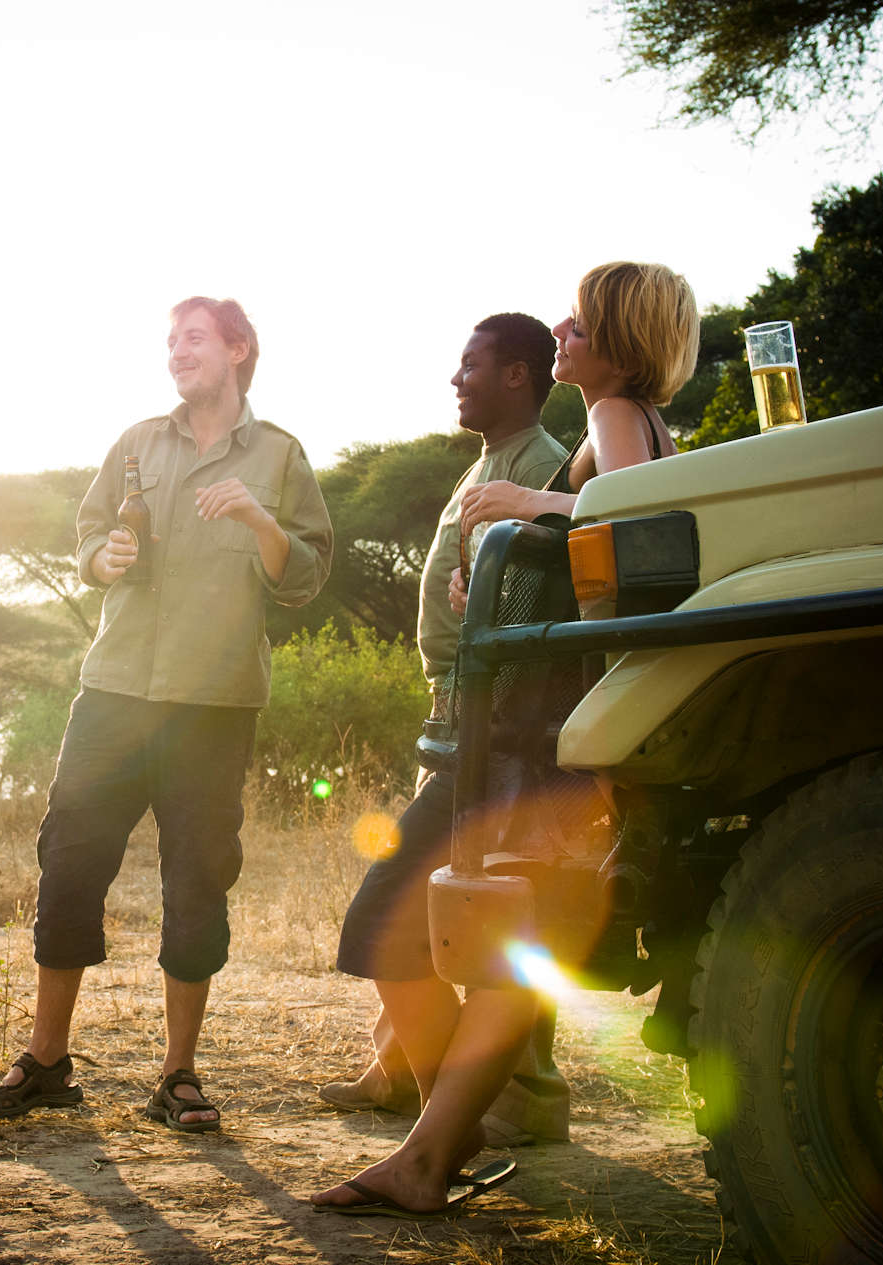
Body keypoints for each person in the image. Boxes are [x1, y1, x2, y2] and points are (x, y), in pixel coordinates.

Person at [312, 261, 699, 1218]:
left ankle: (440, 1139)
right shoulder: (632, 420)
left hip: (536, 731)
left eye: (579, 319)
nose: (562, 329)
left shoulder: (614, 417)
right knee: (501, 948)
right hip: (549, 721)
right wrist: (507, 569)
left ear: (613, 336)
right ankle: (436, 1145)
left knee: (396, 923)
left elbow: (643, 525)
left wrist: (533, 511)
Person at [0, 296, 333, 1132]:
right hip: (115, 694)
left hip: (213, 703)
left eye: (194, 338)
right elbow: (88, 539)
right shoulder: (136, 442)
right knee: (68, 862)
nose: (177, 352)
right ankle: (48, 1061)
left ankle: (178, 1075)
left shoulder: (280, 455)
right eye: (170, 341)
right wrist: (106, 557)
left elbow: (306, 574)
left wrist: (258, 517)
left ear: (239, 349)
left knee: (198, 877)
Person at [317, 313, 573, 1147]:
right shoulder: (490, 463)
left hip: (499, 723)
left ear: (517, 375)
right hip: (462, 709)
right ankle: (410, 1075)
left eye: (471, 366)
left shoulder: (543, 464)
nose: (454, 380)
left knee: (464, 909)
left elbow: (542, 597)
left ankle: (503, 1098)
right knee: (451, 906)